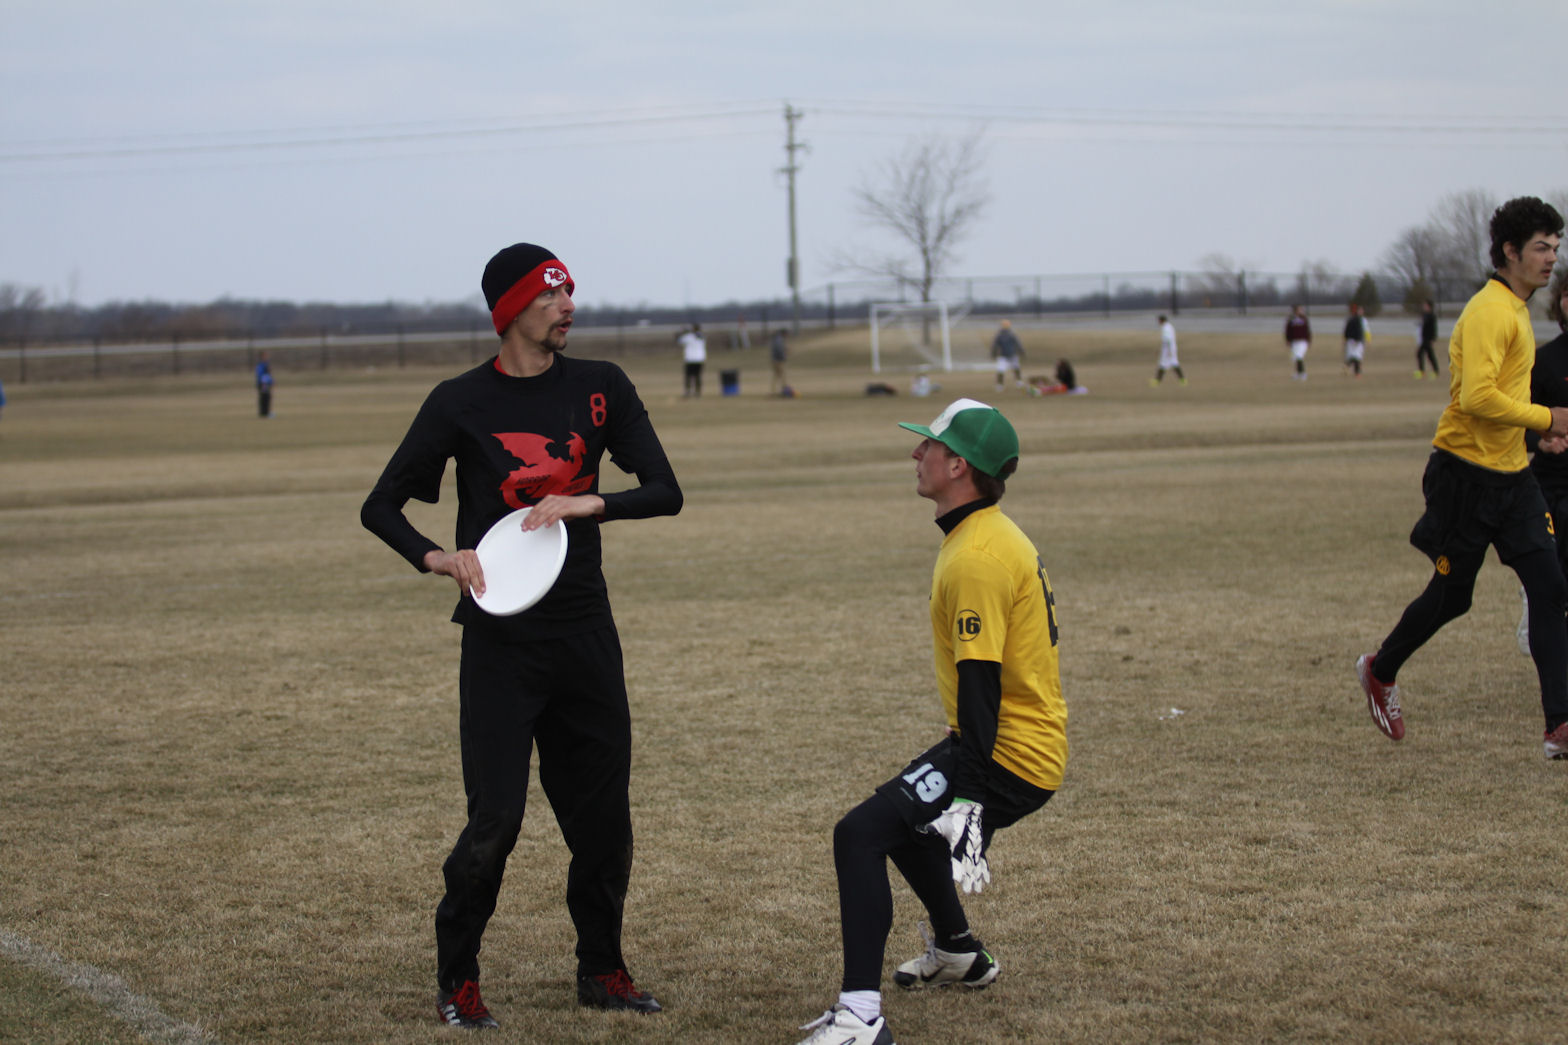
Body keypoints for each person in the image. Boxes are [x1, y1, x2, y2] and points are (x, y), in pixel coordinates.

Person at [361, 242, 682, 1029]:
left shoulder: (601, 387)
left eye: (569, 293)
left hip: (585, 634)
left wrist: (588, 502)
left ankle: (602, 969)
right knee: (495, 821)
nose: (568, 307)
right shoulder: (459, 401)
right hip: (501, 644)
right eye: (549, 296)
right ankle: (459, 979)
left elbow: (665, 490)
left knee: (603, 822)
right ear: (510, 312)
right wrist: (438, 557)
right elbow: (381, 506)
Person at [794, 399, 1067, 1045]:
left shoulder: (977, 556)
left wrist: (968, 792)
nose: (916, 453)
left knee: (860, 834)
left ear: (959, 465)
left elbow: (981, 682)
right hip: (1006, 740)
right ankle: (958, 951)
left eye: (930, 445)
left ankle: (860, 1017)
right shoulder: (984, 535)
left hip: (1009, 753)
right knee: (907, 825)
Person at [1355, 196, 1568, 760]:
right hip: (1465, 477)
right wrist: (1547, 419)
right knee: (1453, 597)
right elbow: (1476, 398)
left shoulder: (1518, 309)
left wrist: (1534, 436)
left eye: (1555, 247)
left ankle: (1559, 726)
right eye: (1541, 248)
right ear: (1510, 252)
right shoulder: (1491, 311)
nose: (1551, 258)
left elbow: (1504, 398)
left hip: (1514, 477)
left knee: (1550, 588)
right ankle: (1380, 669)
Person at [1519, 272, 1568, 655]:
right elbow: (1515, 426)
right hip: (1554, 487)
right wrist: (1542, 440)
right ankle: (1534, 601)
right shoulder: (1545, 361)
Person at [990, 320, 1024, 391]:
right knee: (1006, 369)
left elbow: (994, 346)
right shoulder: (1009, 335)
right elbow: (1018, 344)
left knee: (1007, 369)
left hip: (1008, 355)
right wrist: (1021, 352)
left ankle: (1001, 385)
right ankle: (1017, 382)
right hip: (1007, 355)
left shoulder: (1002, 335)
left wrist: (993, 353)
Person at [1151, 314, 1184, 385]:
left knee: (1164, 364)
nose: (1158, 322)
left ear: (1161, 320)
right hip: (1170, 349)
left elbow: (1168, 339)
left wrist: (1169, 351)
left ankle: (1157, 381)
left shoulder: (1166, 328)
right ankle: (1182, 379)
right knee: (1173, 363)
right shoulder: (1169, 326)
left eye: (1158, 320)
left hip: (1168, 350)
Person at [1285, 304, 1312, 381]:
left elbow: (1307, 330)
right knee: (1295, 358)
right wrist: (1288, 340)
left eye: (1300, 310)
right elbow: (1288, 330)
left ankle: (1303, 373)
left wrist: (1309, 340)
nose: (1300, 311)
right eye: (1298, 310)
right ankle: (1298, 373)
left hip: (1302, 341)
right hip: (1294, 341)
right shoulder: (1291, 320)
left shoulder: (1304, 319)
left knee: (1299, 356)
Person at [678, 322, 706, 397]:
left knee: (688, 377)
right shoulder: (702, 337)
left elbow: (679, 340)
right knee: (698, 376)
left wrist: (683, 332)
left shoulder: (688, 337)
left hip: (690, 359)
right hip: (699, 359)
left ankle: (688, 392)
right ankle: (698, 392)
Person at [1416, 300, 1441, 379]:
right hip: (1424, 338)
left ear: (1429, 307)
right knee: (1422, 354)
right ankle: (1424, 371)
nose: (1424, 307)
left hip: (1428, 339)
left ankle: (1433, 371)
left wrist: (1433, 338)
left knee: (1427, 355)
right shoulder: (1424, 315)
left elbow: (1434, 328)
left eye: (1426, 305)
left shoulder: (1432, 316)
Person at [1342, 303, 1368, 377]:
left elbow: (1346, 331)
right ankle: (1356, 372)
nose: (1361, 311)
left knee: (1352, 355)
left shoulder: (1349, 319)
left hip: (1350, 340)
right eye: (1360, 310)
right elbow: (1360, 331)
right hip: (1357, 341)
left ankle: (1347, 365)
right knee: (1357, 356)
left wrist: (1345, 339)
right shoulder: (1359, 320)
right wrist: (1359, 339)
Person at [770, 327, 790, 396]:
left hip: (775, 360)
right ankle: (784, 390)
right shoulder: (779, 340)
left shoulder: (777, 339)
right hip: (778, 361)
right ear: (784, 334)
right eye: (787, 334)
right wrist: (784, 356)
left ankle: (775, 391)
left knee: (777, 376)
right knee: (781, 375)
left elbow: (781, 348)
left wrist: (786, 350)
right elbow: (779, 350)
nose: (787, 336)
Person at [255, 351, 274, 418]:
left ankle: (266, 412)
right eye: (265, 356)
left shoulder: (266, 364)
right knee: (264, 397)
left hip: (267, 383)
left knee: (267, 397)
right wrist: (262, 383)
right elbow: (260, 375)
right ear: (262, 357)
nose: (266, 357)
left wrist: (271, 381)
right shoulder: (261, 365)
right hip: (263, 384)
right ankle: (264, 413)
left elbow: (269, 375)